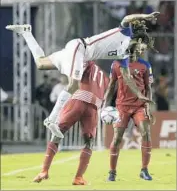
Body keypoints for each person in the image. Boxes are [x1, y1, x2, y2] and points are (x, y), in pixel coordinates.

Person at [6, 12, 159, 138]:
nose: (141, 51)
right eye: (142, 47)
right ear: (138, 40)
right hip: (79, 48)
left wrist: (140, 94)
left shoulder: (124, 57)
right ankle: (52, 120)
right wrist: (144, 17)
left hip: (77, 55)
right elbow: (127, 18)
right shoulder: (126, 33)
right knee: (74, 84)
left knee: (41, 64)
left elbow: (126, 78)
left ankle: (26, 32)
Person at [33, 61, 109, 185]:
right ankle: (78, 177)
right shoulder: (105, 77)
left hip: (78, 99)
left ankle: (44, 170)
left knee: (58, 132)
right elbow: (106, 94)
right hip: (94, 106)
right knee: (89, 142)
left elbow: (73, 78)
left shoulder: (85, 62)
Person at [103, 40, 155, 181]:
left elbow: (148, 88)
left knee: (146, 133)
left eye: (134, 51)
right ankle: (112, 172)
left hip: (139, 106)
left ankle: (144, 170)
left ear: (138, 51)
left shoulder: (145, 65)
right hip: (122, 106)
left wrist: (148, 107)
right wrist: (105, 106)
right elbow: (111, 86)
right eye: (129, 51)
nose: (132, 54)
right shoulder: (117, 64)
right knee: (117, 137)